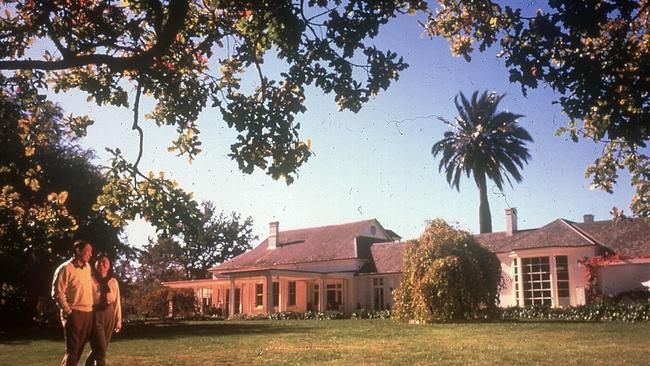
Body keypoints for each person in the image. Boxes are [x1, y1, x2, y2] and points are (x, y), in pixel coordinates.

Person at [52, 239, 94, 366]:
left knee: (78, 350)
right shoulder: (65, 268)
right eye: (88, 251)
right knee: (72, 350)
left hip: (88, 313)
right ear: (78, 250)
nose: (91, 254)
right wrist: (68, 312)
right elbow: (57, 293)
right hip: (74, 313)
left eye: (91, 251)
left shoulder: (87, 267)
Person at [85, 254, 122, 366]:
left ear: (109, 265)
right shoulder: (90, 280)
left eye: (104, 261)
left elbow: (117, 302)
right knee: (100, 348)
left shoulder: (113, 282)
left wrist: (118, 320)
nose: (102, 264)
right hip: (95, 314)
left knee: (101, 347)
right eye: (99, 261)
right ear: (95, 265)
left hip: (109, 314)